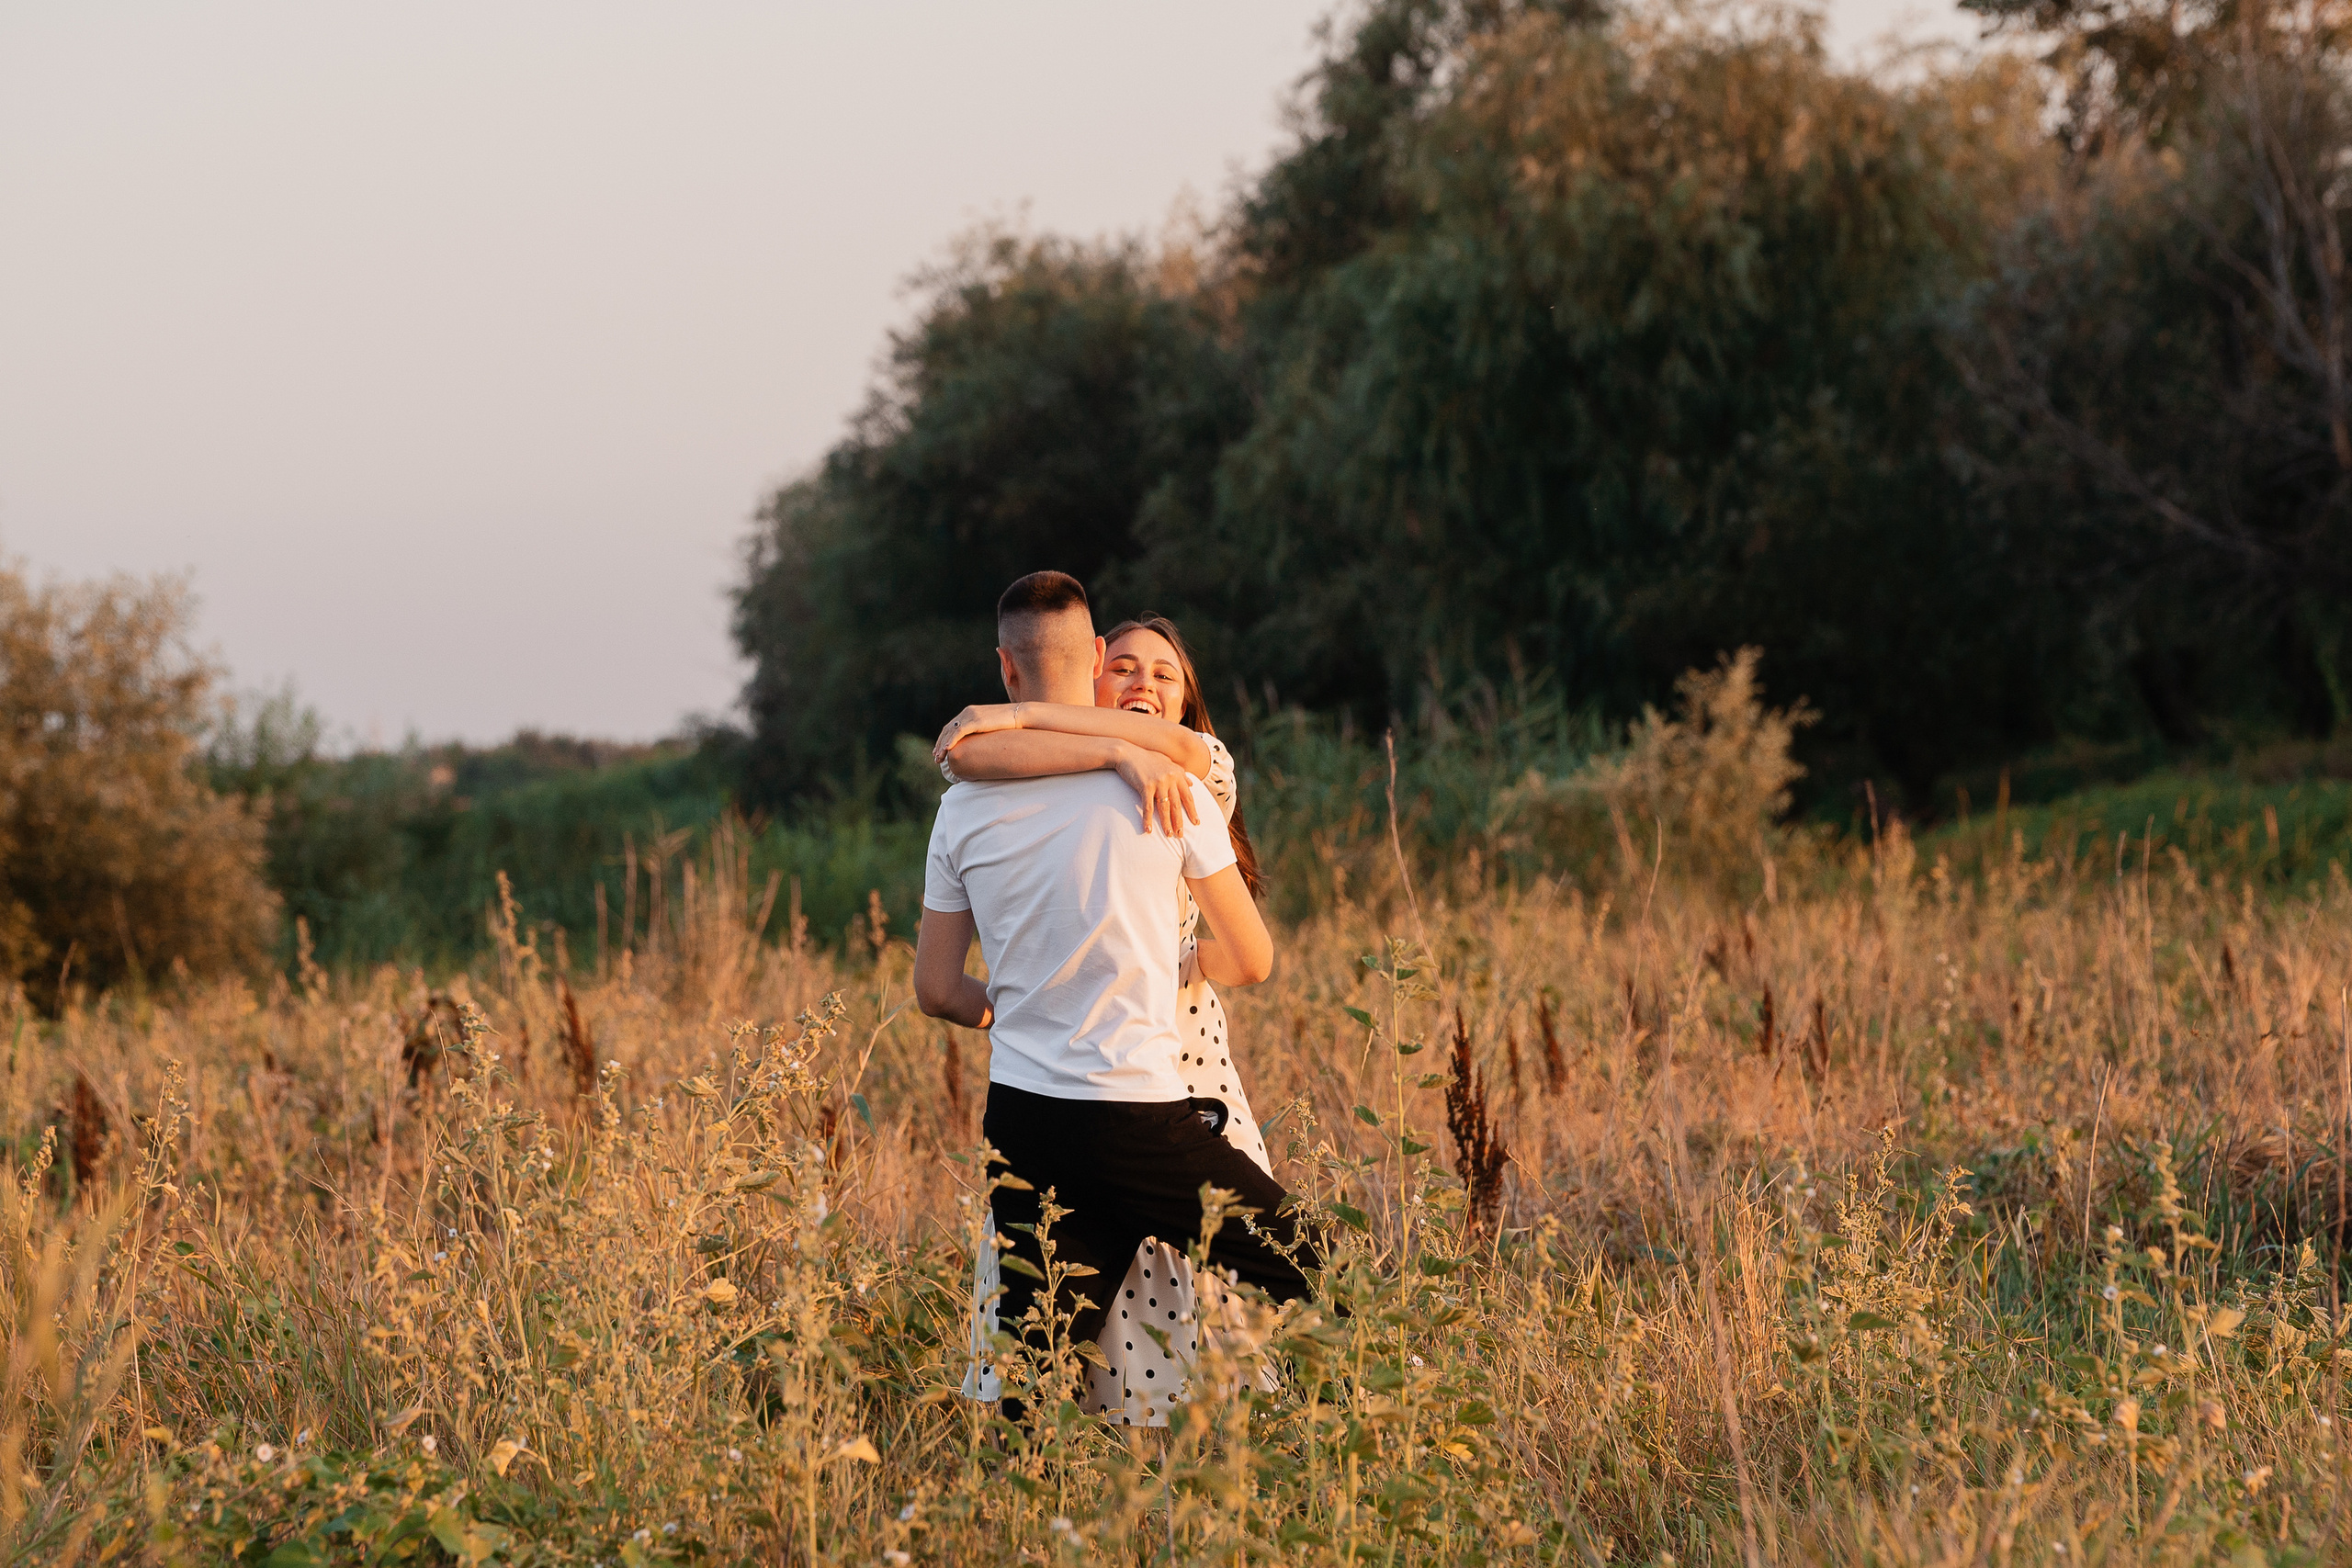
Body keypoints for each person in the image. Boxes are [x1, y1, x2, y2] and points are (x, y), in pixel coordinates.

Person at [911, 572, 1315, 1427]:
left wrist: (1010, 1012)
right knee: (1303, 1263)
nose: (1141, 687)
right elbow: (1252, 956)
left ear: (1004, 666)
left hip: (1022, 1109)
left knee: (1038, 1358)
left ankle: (1021, 1515)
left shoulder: (963, 808)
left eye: (1163, 674)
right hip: (1139, 1101)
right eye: (1124, 666)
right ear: (1094, 662)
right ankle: (1374, 1433)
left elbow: (937, 989)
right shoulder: (1171, 794)